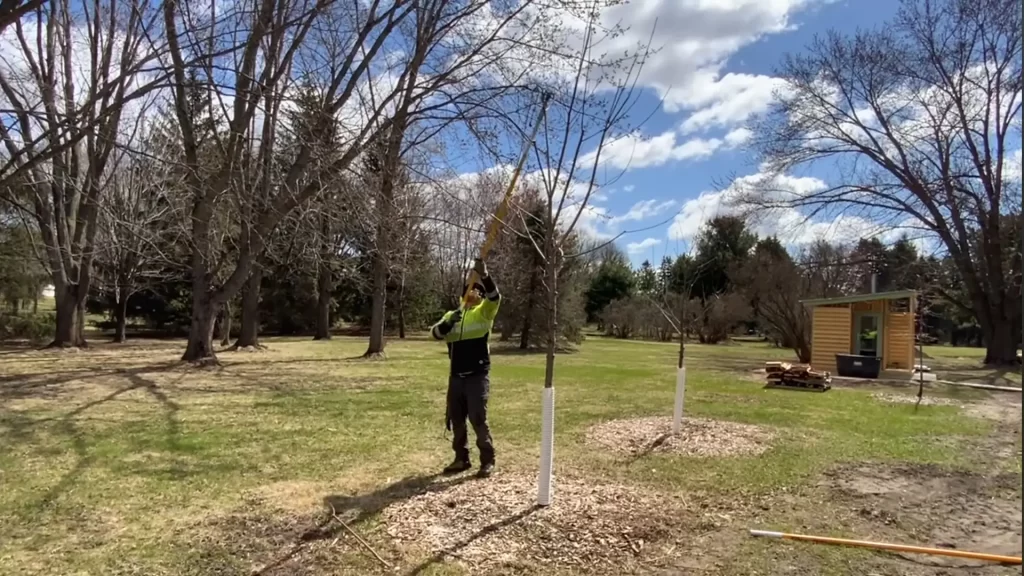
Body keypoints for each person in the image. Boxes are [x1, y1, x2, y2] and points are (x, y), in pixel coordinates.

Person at [431, 257, 500, 478]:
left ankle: (487, 461)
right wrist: (447, 324)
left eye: (479, 292)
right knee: (456, 419)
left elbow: (495, 298)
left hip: (477, 376)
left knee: (478, 418)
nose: (475, 293)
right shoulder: (452, 315)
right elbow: (434, 333)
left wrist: (485, 276)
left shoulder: (484, 313)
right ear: (463, 295)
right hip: (456, 377)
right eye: (472, 290)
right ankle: (461, 459)